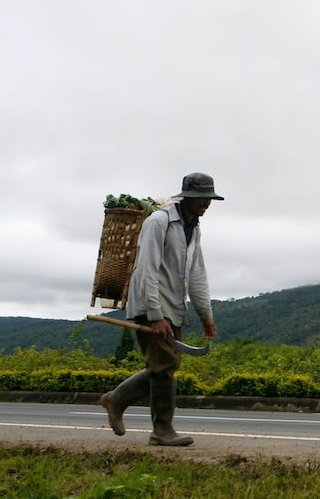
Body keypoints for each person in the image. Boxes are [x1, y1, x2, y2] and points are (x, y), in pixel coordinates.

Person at [100, 172, 223, 446]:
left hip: (173, 306)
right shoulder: (159, 222)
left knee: (165, 365)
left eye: (209, 199)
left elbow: (196, 274)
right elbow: (146, 269)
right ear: (188, 197)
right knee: (165, 366)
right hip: (150, 305)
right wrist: (155, 315)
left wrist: (206, 315)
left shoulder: (193, 228)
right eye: (202, 199)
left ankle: (116, 399)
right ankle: (162, 431)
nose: (206, 204)